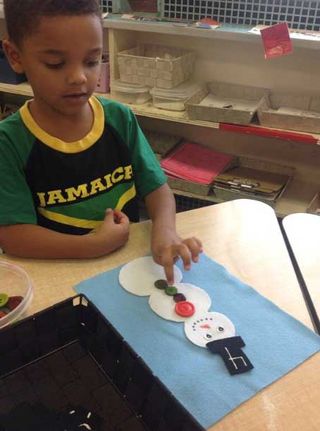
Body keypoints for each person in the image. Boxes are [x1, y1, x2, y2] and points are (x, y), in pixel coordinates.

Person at [0, 0, 202, 283]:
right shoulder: (9, 143)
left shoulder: (119, 118)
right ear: (14, 55)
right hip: (60, 279)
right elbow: (14, 237)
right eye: (55, 64)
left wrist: (165, 231)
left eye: (92, 61)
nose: (79, 77)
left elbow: (157, 188)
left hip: (127, 269)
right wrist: (92, 246)